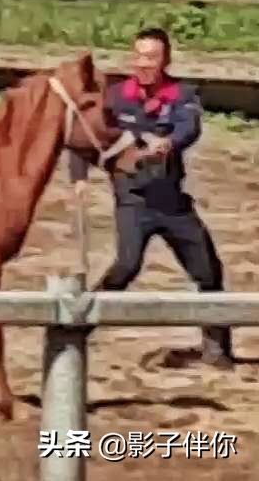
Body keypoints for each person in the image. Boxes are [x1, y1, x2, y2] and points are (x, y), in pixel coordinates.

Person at [69, 27, 233, 368]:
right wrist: (79, 178)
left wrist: (169, 143)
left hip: (172, 200)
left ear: (165, 60)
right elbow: (84, 137)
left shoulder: (182, 93)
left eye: (151, 57)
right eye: (139, 56)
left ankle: (216, 350)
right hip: (133, 199)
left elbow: (189, 127)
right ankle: (76, 331)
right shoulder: (115, 97)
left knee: (208, 270)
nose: (143, 64)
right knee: (126, 266)